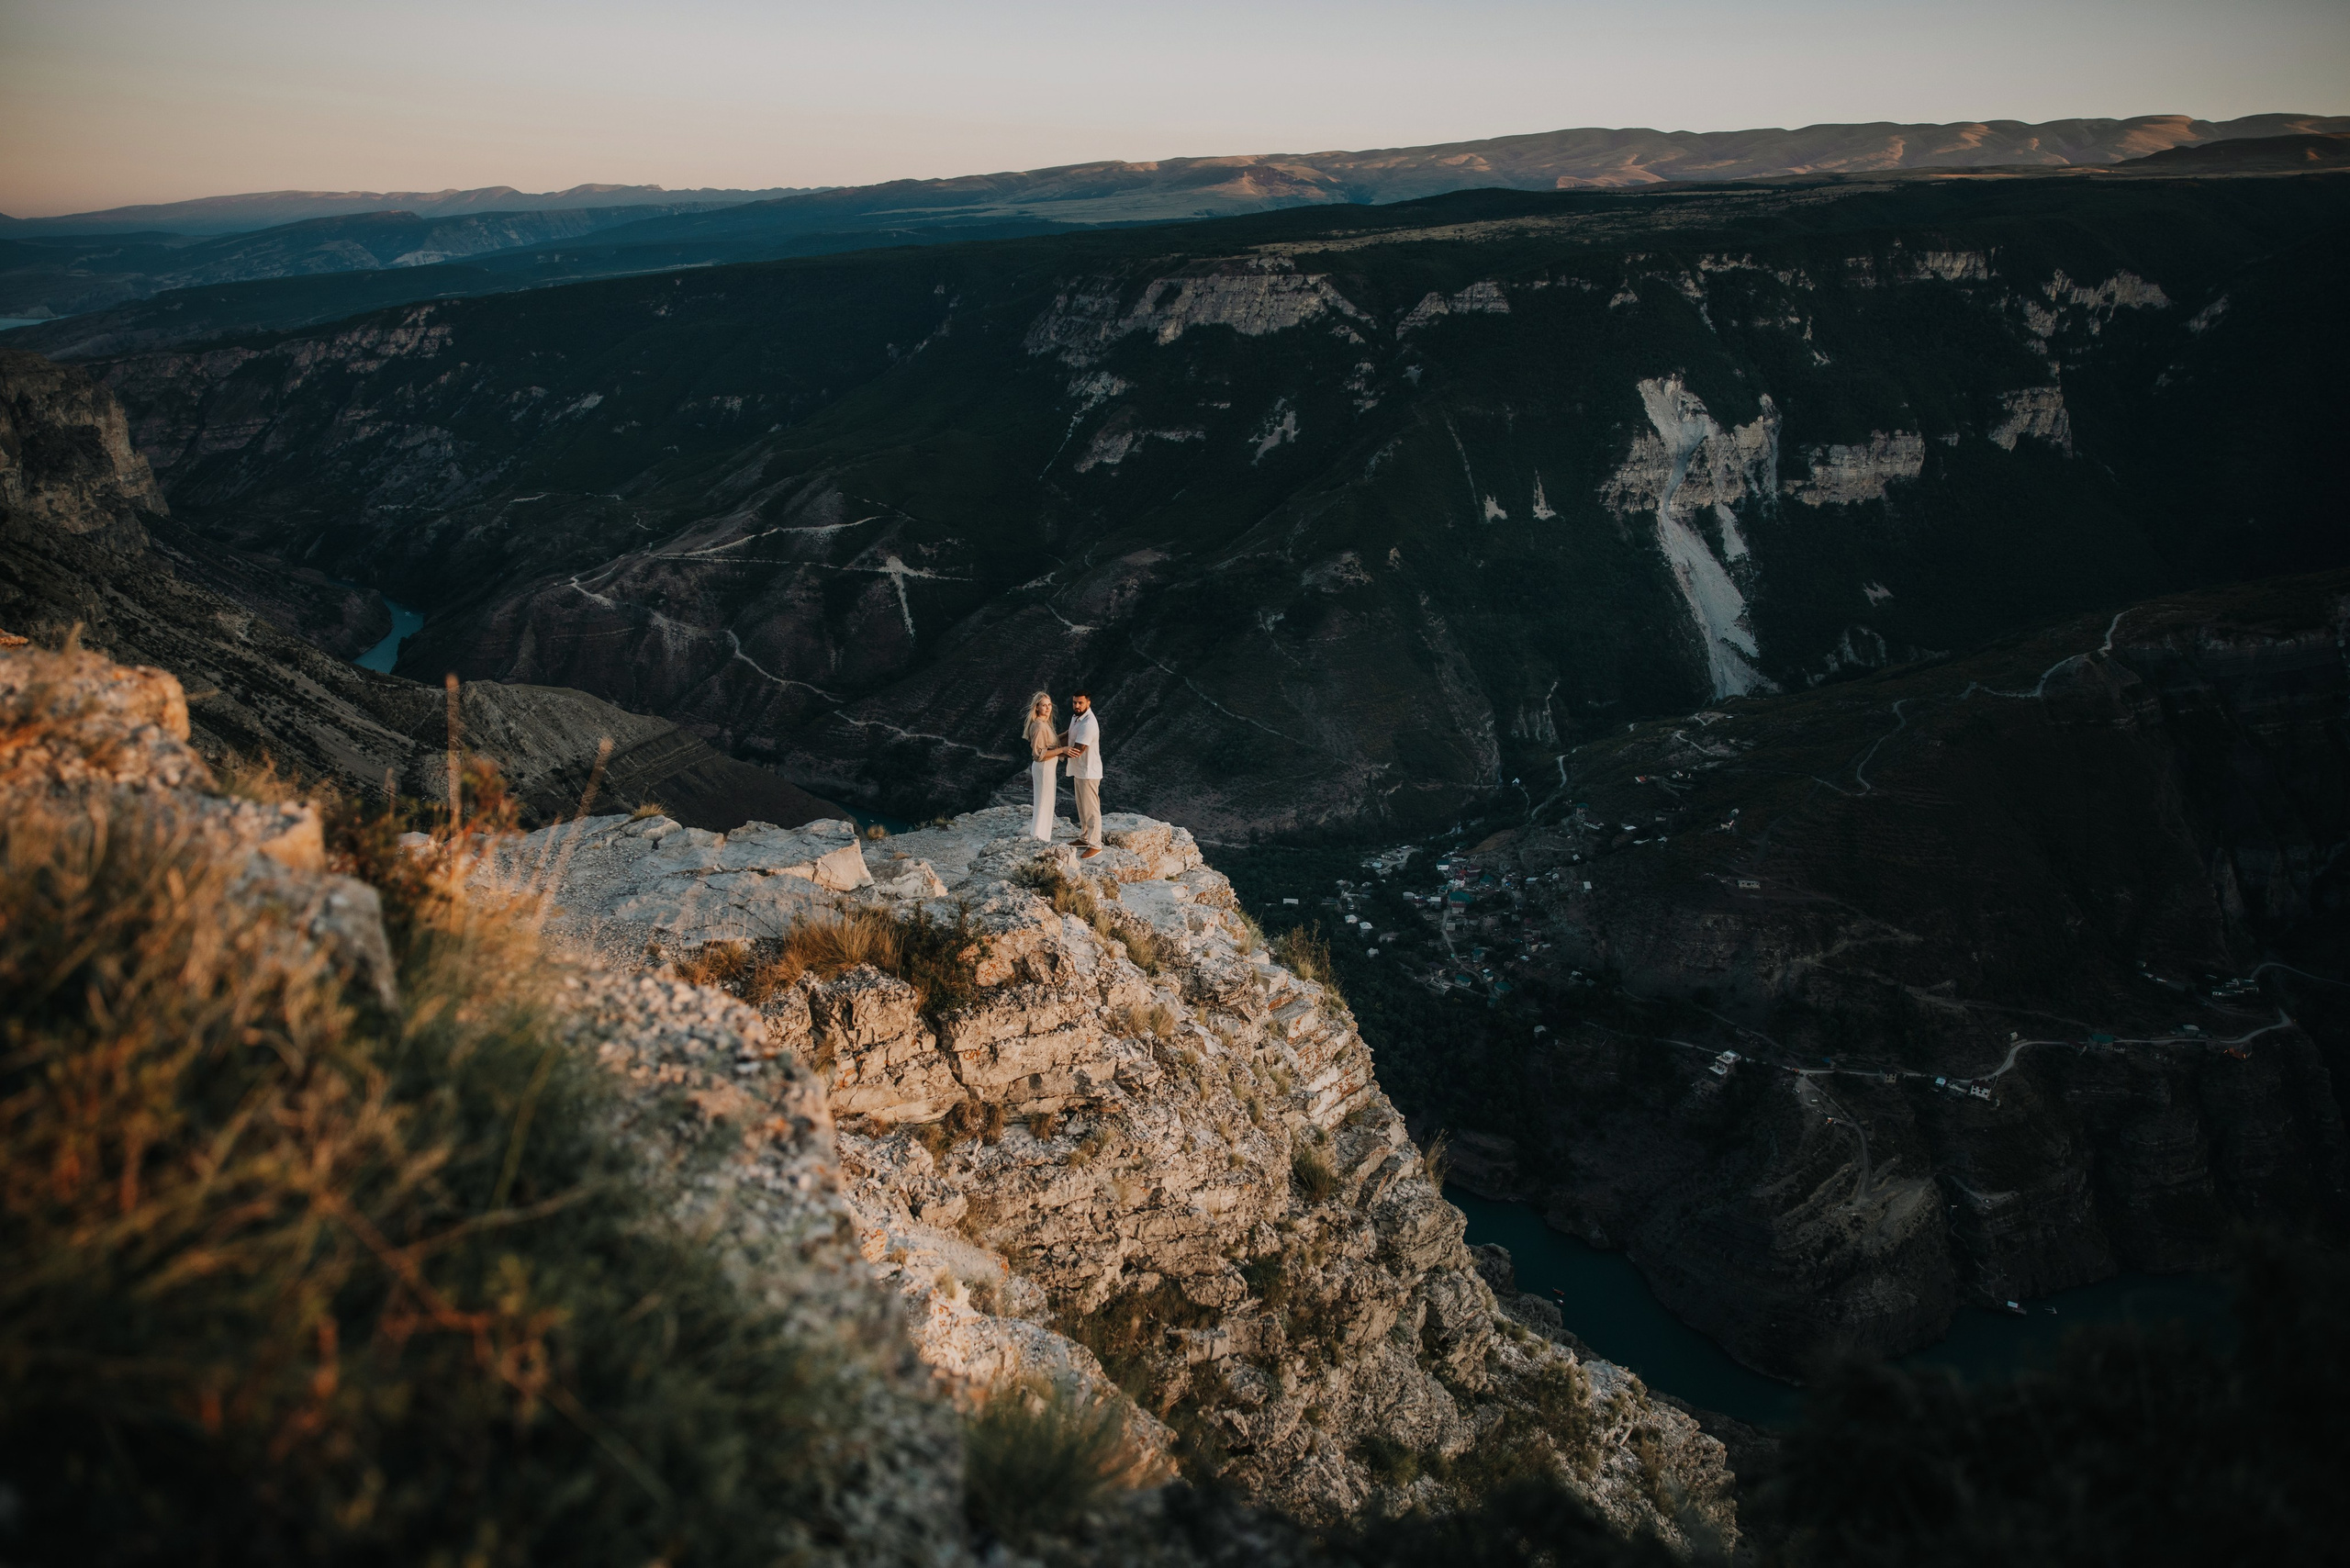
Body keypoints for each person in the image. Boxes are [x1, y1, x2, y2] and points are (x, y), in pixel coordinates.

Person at [1023, 691, 1069, 842]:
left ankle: (1043, 837)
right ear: (1037, 707)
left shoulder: (1044, 724)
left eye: (1049, 705)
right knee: (1043, 804)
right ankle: (1037, 838)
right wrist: (1062, 750)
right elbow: (1039, 754)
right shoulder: (1039, 726)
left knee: (1047, 803)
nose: (1048, 708)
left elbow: (1051, 743)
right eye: (1044, 705)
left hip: (1047, 768)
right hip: (1043, 768)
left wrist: (1067, 734)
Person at [1066, 689, 1103, 858]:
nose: (1077, 705)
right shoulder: (1076, 718)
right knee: (1082, 807)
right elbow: (1069, 735)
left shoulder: (1088, 724)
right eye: (1075, 702)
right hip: (1079, 770)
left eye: (1080, 703)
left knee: (1091, 809)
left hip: (1089, 771)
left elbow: (1078, 750)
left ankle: (1096, 845)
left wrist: (1051, 753)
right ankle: (1085, 837)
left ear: (1088, 703)